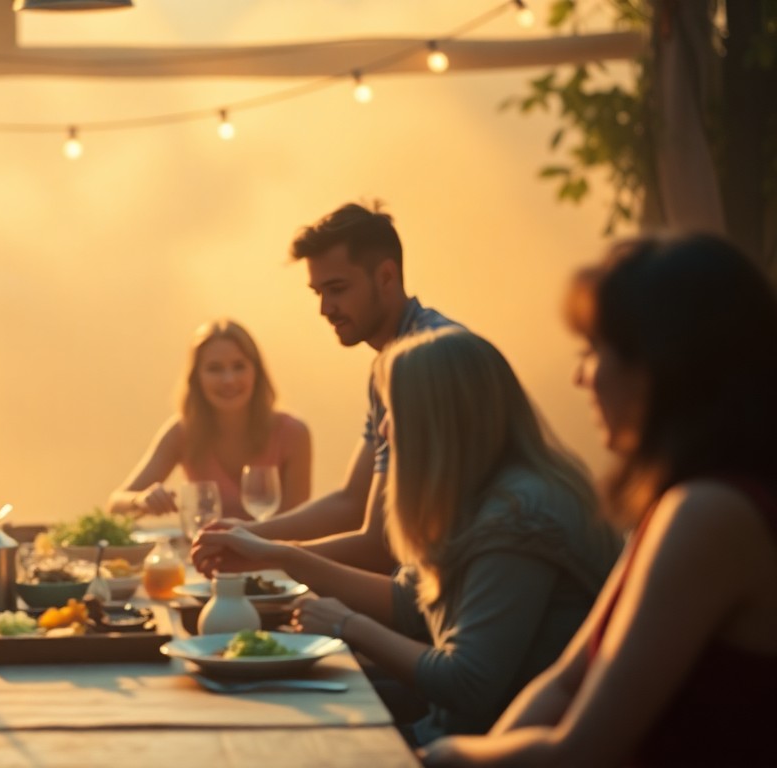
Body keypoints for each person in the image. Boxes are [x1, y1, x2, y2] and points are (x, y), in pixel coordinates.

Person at [421, 235, 777, 767]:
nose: (579, 376)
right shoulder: (677, 505)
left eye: (591, 351)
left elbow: (583, 752)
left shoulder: (711, 514)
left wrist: (445, 759)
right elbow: (566, 684)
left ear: (656, 364)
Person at [196, 328, 620, 746]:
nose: (382, 430)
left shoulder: (518, 517)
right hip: (449, 729)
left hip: (474, 748)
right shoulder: (480, 492)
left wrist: (347, 624)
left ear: (435, 419)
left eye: (392, 411)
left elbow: (467, 683)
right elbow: (409, 603)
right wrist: (274, 555)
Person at [193, 202, 458, 574]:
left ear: (386, 276)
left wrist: (263, 551)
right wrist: (253, 533)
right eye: (318, 292)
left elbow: (380, 544)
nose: (325, 308)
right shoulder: (388, 365)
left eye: (336, 289)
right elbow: (352, 501)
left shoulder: (432, 359)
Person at [107, 318, 312, 520]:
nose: (228, 380)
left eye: (239, 366)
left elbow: (297, 523)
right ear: (196, 378)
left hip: (271, 554)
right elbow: (115, 505)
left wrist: (242, 537)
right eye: (215, 369)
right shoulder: (183, 432)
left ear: (256, 372)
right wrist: (141, 501)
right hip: (205, 552)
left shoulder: (293, 433)